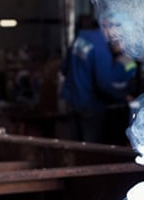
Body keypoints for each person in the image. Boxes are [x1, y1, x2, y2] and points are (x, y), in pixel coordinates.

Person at [59, 14, 137, 144]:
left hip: (72, 101)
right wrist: (125, 97)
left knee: (75, 144)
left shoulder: (82, 37)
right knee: (91, 148)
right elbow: (104, 84)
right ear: (107, 26)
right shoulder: (101, 46)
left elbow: (64, 68)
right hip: (90, 106)